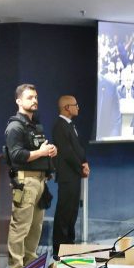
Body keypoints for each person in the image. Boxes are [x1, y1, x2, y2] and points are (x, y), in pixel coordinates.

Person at [4, 84, 57, 268]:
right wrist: (40, 152)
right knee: (20, 229)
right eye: (29, 97)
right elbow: (17, 155)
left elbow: (37, 151)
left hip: (40, 182)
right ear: (19, 101)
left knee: (35, 229)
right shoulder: (15, 127)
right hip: (25, 183)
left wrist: (49, 151)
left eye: (35, 97)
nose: (34, 100)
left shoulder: (35, 126)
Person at [51, 95, 89, 257]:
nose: (78, 107)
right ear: (67, 107)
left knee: (72, 212)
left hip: (74, 175)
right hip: (67, 176)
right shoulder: (60, 126)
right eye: (75, 105)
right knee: (64, 213)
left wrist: (84, 162)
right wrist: (81, 168)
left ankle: (69, 246)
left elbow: (77, 149)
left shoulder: (69, 125)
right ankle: (60, 250)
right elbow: (67, 153)